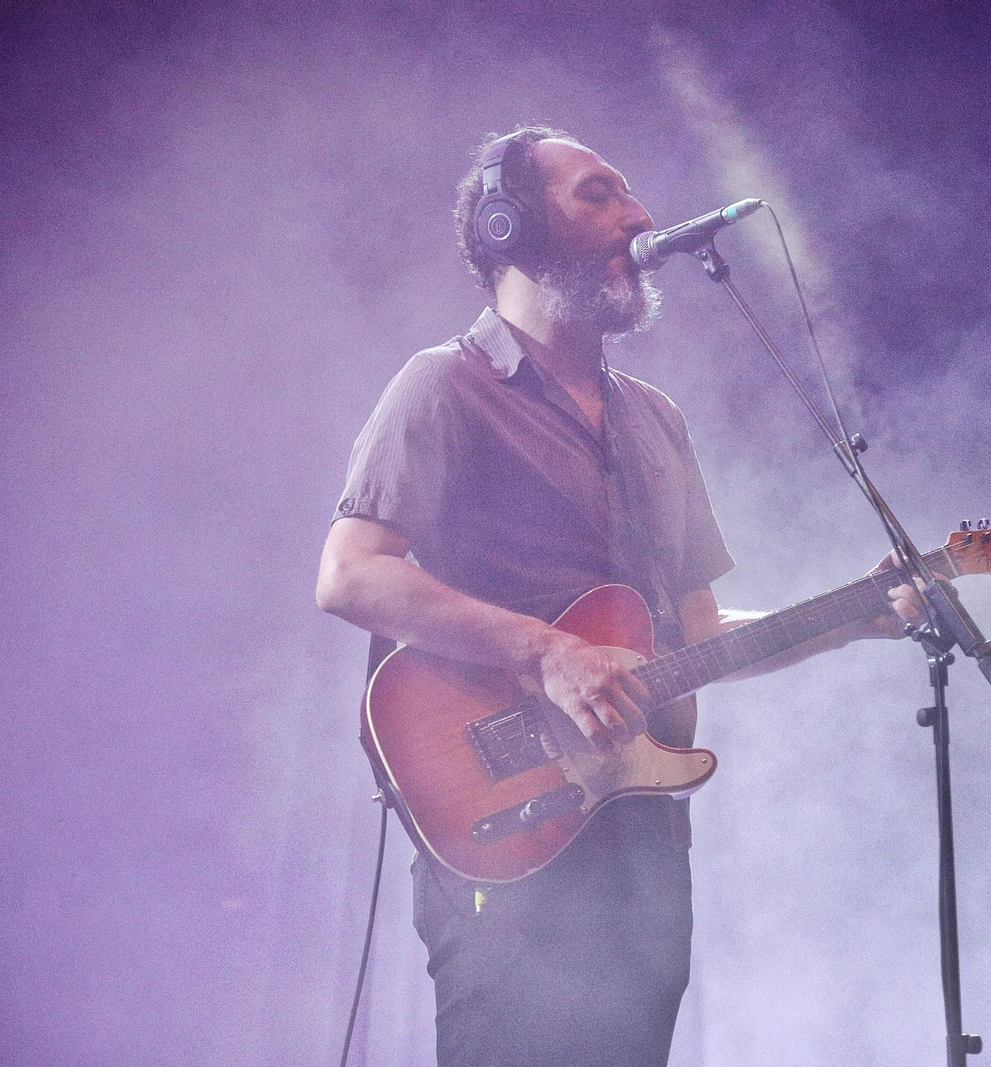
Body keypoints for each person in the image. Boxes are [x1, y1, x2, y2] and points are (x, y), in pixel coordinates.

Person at [315, 126, 921, 1067]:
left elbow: (700, 635)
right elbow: (350, 573)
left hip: (641, 844)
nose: (638, 215)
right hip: (505, 830)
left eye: (630, 195)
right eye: (598, 193)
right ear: (509, 228)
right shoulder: (443, 387)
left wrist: (859, 619)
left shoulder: (656, 420)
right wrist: (545, 651)